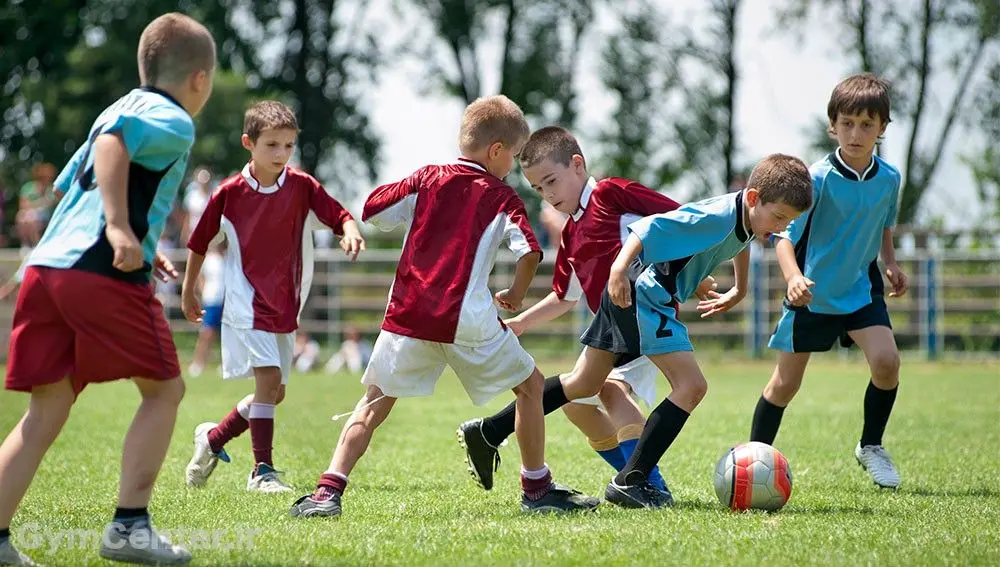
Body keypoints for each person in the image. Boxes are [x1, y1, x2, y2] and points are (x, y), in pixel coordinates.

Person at [288, 95, 600, 519]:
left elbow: (373, 208)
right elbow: (529, 252)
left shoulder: (428, 178)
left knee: (374, 401)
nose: (512, 168)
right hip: (467, 322)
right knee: (530, 386)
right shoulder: (502, 197)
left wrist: (419, 182)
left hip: (407, 320)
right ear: (496, 151)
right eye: (512, 157)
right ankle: (536, 488)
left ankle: (328, 491)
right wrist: (514, 294)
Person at [462, 153, 814, 509]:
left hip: (632, 294)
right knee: (691, 386)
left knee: (583, 383)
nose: (780, 227)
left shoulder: (746, 215)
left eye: (788, 220)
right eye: (779, 217)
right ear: (753, 198)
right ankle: (632, 479)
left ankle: (490, 430)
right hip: (647, 297)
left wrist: (739, 288)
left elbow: (744, 236)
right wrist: (618, 268)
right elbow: (650, 228)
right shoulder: (719, 214)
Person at [0, 13, 216, 565]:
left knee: (45, 410)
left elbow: (78, 184)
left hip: (50, 268)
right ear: (200, 78)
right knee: (164, 391)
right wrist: (121, 228)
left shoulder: (115, 108)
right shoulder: (171, 118)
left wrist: (142, 244)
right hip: (98, 271)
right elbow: (116, 149)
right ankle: (129, 527)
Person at [460, 126, 716, 495]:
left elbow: (681, 220)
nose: (548, 196)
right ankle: (636, 479)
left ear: (577, 165)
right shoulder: (571, 234)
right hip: (610, 328)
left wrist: (696, 273)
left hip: (644, 318)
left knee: (611, 393)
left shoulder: (612, 194)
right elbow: (564, 296)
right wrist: (521, 322)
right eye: (538, 189)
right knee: (577, 403)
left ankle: (645, 484)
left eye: (551, 181)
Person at [182, 100, 365, 494]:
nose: (281, 154)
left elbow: (340, 215)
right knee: (267, 381)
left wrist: (349, 231)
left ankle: (213, 439)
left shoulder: (302, 186)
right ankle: (261, 471)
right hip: (245, 304)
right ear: (249, 143)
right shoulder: (228, 193)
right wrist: (188, 293)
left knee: (274, 392)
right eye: (272, 145)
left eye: (287, 145)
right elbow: (197, 244)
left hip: (285, 306)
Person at [749, 73, 907, 489]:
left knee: (887, 362)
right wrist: (794, 278)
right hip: (811, 297)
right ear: (832, 125)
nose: (856, 133)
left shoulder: (889, 179)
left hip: (860, 292)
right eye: (847, 123)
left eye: (867, 125)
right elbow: (784, 238)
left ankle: (871, 445)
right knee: (784, 385)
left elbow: (884, 227)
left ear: (883, 130)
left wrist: (890, 264)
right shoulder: (816, 179)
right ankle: (752, 463)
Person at [187, 241, 226, 377]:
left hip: (226, 300)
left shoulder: (229, 258)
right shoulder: (209, 259)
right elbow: (200, 278)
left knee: (226, 334)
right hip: (212, 300)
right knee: (206, 333)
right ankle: (198, 363)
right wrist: (203, 293)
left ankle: (226, 364)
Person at [15, 163, 59, 249]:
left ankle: (36, 245)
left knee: (32, 218)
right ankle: (26, 245)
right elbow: (23, 204)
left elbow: (50, 203)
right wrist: (39, 203)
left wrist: (33, 205)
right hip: (28, 213)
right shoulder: (28, 187)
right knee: (22, 217)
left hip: (45, 215)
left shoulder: (51, 189)